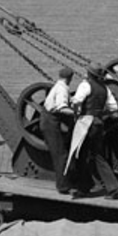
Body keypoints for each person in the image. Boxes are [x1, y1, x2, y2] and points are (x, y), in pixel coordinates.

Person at [71, 62, 118, 199]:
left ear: (89, 74)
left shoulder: (85, 85)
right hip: (99, 124)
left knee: (81, 155)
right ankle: (114, 188)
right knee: (98, 156)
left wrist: (76, 114)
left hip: (86, 123)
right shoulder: (105, 89)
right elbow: (114, 109)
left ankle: (83, 188)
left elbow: (77, 101)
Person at [42, 65, 77, 194]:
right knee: (60, 155)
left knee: (61, 153)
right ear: (70, 78)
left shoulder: (59, 86)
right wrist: (77, 114)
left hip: (48, 119)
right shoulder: (62, 89)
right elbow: (61, 108)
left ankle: (67, 182)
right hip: (50, 122)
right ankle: (63, 187)